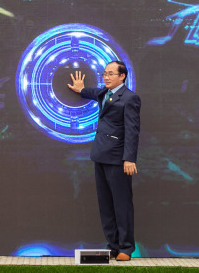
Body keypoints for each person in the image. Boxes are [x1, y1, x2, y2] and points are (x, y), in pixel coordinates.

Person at [68, 61, 141, 261]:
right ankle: (113, 245)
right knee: (106, 204)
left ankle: (126, 247)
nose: (106, 77)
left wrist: (129, 158)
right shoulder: (104, 93)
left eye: (110, 74)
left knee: (121, 204)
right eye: (104, 74)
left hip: (118, 159)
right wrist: (82, 90)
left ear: (122, 76)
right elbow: (94, 93)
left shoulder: (130, 98)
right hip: (100, 155)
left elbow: (132, 131)